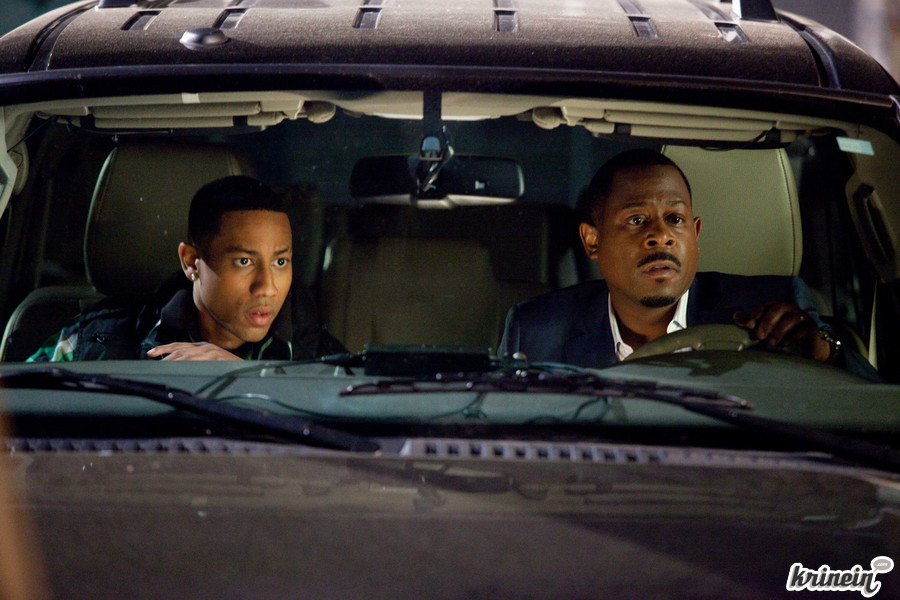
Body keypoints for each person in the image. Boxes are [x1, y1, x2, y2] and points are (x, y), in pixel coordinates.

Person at [499, 149, 878, 379]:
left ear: (695, 234)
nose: (661, 236)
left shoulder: (772, 309)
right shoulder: (537, 331)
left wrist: (824, 353)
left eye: (675, 219)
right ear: (592, 240)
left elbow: (877, 407)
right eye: (636, 220)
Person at [28, 175, 345, 362]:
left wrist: (246, 378)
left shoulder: (322, 360)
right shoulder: (94, 343)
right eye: (244, 261)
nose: (268, 287)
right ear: (192, 262)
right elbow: (12, 414)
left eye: (280, 262)